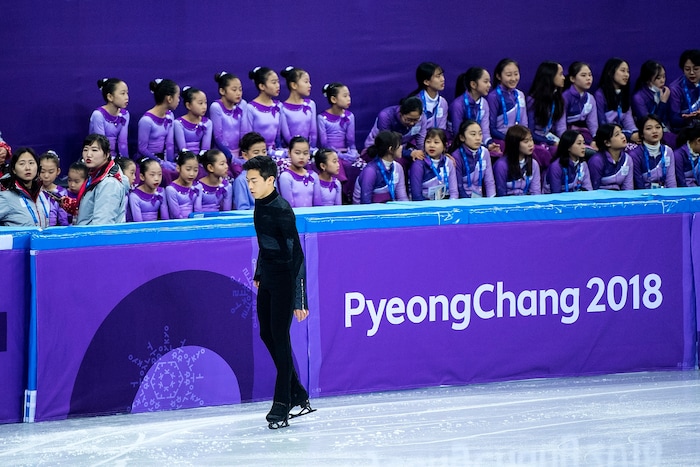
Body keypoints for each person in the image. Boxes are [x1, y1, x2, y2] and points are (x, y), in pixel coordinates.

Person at [242, 155, 313, 429]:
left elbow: (297, 255)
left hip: (285, 277)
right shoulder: (259, 205)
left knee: (280, 338)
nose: (250, 186)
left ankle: (282, 402)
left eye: (255, 181)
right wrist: (260, 273)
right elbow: (264, 243)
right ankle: (297, 391)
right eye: (248, 181)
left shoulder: (282, 209)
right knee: (266, 333)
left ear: (270, 180)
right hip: (269, 276)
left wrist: (300, 298)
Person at [61, 134, 130, 225]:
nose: (88, 155)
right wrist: (78, 206)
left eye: (94, 150)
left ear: (106, 154)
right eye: (85, 150)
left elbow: (103, 225)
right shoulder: (94, 175)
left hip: (96, 237)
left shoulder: (109, 184)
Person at [317, 82, 363, 200]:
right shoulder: (322, 118)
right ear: (333, 99)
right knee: (336, 163)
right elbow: (324, 144)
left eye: (349, 95)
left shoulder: (349, 116)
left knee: (360, 165)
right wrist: (338, 155)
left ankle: (354, 196)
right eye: (345, 96)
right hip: (330, 152)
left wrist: (352, 153)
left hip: (345, 152)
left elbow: (351, 141)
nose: (349, 99)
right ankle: (341, 194)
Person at [363, 96, 426, 175]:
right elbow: (386, 144)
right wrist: (410, 153)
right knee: (399, 164)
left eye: (416, 120)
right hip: (380, 149)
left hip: (401, 149)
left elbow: (421, 141)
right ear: (400, 114)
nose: (412, 123)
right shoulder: (386, 116)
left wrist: (422, 154)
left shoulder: (422, 118)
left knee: (419, 162)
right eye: (408, 119)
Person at [449, 67, 499, 154]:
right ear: (473, 84)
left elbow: (485, 130)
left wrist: (489, 144)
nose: (489, 85)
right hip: (459, 145)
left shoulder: (484, 103)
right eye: (485, 81)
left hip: (477, 143)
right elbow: (457, 132)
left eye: (489, 82)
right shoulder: (458, 105)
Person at [527, 61, 567, 171]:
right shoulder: (533, 100)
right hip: (536, 140)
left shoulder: (559, 99)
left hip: (550, 138)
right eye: (560, 74)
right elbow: (530, 131)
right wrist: (552, 142)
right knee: (549, 153)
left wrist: (565, 142)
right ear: (550, 77)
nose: (563, 77)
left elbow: (561, 128)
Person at [138, 78, 180, 180]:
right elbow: (142, 149)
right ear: (169, 99)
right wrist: (160, 163)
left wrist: (170, 163)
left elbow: (169, 143)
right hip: (147, 159)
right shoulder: (146, 121)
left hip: (163, 158)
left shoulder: (170, 115)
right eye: (178, 97)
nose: (179, 100)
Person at [0, 147, 50, 227]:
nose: (27, 168)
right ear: (14, 170)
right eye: (22, 164)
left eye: (31, 163)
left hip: (40, 239)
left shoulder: (41, 195)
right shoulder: (6, 197)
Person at [356, 130, 409, 204]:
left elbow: (402, 197)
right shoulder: (370, 171)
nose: (402, 147)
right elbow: (365, 202)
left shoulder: (398, 168)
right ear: (390, 149)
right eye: (399, 145)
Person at [594, 58, 640, 143]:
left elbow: (628, 119)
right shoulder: (600, 94)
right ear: (610, 72)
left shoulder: (624, 94)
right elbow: (602, 123)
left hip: (623, 136)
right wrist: (628, 136)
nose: (626, 75)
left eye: (628, 71)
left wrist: (635, 133)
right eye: (622, 70)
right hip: (609, 137)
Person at [487, 58, 528, 151]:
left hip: (519, 139)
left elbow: (524, 124)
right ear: (498, 76)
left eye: (516, 74)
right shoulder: (493, 97)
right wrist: (510, 140)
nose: (513, 79)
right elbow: (491, 128)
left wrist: (525, 139)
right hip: (501, 140)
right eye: (509, 75)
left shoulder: (520, 95)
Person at [210, 71, 247, 175]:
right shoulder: (216, 107)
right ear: (222, 91)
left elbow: (244, 132)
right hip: (222, 155)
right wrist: (230, 157)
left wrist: (244, 153)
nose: (238, 93)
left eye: (240, 89)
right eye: (234, 90)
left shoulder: (241, 106)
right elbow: (218, 137)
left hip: (239, 154)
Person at [449, 119, 495, 198]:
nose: (478, 138)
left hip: (479, 198)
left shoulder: (485, 152)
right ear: (462, 137)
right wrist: (469, 203)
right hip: (463, 200)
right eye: (473, 134)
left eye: (480, 134)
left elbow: (489, 181)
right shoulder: (456, 155)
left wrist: (492, 200)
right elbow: (459, 187)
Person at [242, 67, 282, 156]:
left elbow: (278, 135)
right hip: (257, 153)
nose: (278, 85)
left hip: (274, 152)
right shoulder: (250, 108)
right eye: (274, 82)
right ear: (262, 86)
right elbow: (248, 137)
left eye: (278, 82)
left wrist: (278, 150)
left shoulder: (278, 106)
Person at [409, 128, 458, 200]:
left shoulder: (449, 162)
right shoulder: (418, 164)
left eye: (436, 142)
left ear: (445, 145)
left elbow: (454, 192)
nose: (431, 145)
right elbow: (416, 196)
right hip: (424, 205)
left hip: (445, 203)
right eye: (428, 142)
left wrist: (451, 205)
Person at [493, 124, 541, 196]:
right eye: (526, 141)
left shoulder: (534, 164)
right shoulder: (501, 165)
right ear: (514, 144)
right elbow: (501, 195)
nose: (531, 144)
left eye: (531, 139)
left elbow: (536, 192)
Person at [629, 115, 676, 189]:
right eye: (649, 128)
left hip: (665, 194)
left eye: (658, 127)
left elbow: (671, 181)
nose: (654, 131)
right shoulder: (635, 155)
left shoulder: (668, 151)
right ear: (641, 133)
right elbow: (638, 184)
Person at [89, 78, 130, 158]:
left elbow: (123, 142)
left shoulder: (125, 114)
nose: (127, 97)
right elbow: (101, 144)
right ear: (110, 97)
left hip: (113, 157)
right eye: (122, 93)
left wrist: (125, 161)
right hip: (97, 157)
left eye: (127, 93)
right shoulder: (98, 115)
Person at [280, 66, 317, 148]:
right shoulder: (282, 108)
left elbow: (313, 132)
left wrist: (309, 149)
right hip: (290, 151)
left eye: (309, 82)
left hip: (308, 151)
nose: (309, 85)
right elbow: (286, 136)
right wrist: (298, 150)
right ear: (294, 85)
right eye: (306, 82)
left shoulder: (311, 104)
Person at [588, 124, 634, 190]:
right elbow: (593, 189)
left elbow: (628, 187)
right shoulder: (596, 161)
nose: (623, 136)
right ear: (607, 143)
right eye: (617, 134)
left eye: (621, 132)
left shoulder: (627, 159)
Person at [562, 62, 598, 145]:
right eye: (583, 75)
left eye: (590, 75)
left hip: (584, 136)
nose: (588, 78)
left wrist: (595, 140)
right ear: (572, 79)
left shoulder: (590, 98)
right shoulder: (564, 97)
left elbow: (592, 124)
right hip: (569, 138)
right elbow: (561, 126)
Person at [277, 136, 317, 208]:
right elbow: (288, 207)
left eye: (305, 153)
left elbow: (318, 204)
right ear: (289, 153)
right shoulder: (285, 177)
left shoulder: (314, 175)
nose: (301, 157)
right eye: (297, 153)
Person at [408, 62, 448, 132]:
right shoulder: (415, 103)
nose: (443, 79)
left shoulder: (443, 102)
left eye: (442, 75)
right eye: (438, 76)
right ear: (426, 82)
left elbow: (442, 130)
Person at [669, 49, 700, 133]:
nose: (692, 73)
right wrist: (689, 119)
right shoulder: (675, 89)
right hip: (685, 132)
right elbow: (674, 120)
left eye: (696, 69)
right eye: (687, 69)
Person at [174, 86, 212, 153]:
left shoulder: (207, 123)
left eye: (205, 103)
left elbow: (205, 148)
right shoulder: (178, 123)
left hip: (201, 159)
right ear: (188, 105)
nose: (204, 107)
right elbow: (182, 149)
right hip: (184, 159)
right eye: (200, 103)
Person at [234, 132, 267, 210]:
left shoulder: (270, 175)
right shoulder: (241, 180)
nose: (261, 155)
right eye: (256, 152)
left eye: (264, 151)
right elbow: (242, 210)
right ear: (245, 155)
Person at [165, 150, 202, 218]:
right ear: (178, 168)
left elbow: (198, 211)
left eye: (195, 170)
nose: (192, 174)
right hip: (178, 225)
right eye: (188, 169)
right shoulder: (171, 189)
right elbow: (176, 214)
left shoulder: (198, 186)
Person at [38, 150, 68, 226]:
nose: (46, 176)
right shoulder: (33, 191)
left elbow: (63, 218)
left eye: (51, 172)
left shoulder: (62, 192)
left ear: (58, 171)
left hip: (53, 230)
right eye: (42, 171)